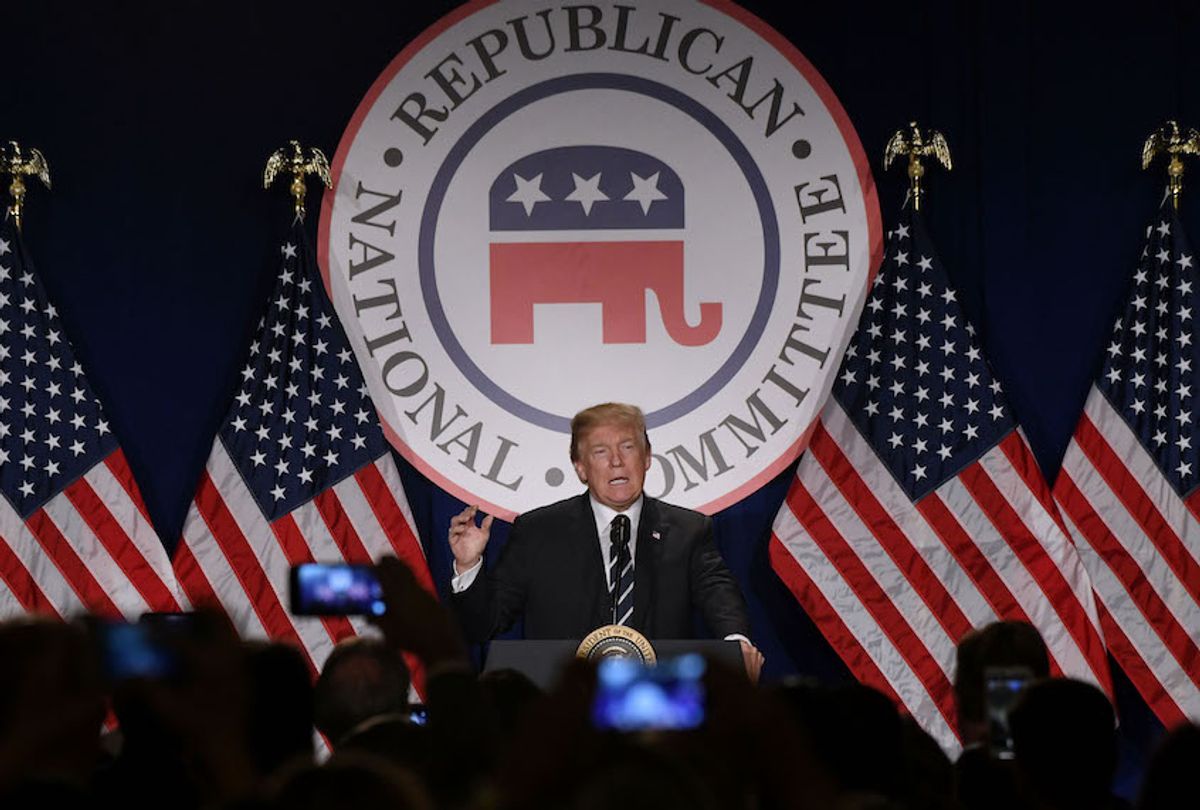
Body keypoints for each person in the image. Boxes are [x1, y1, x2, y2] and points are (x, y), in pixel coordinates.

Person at [448, 402, 763, 678]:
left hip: (659, 713)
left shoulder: (688, 530)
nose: (616, 461)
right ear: (580, 467)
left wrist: (737, 644)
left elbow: (719, 594)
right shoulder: (537, 531)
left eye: (627, 447)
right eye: (600, 452)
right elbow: (485, 625)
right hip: (564, 710)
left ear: (647, 457)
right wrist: (468, 564)